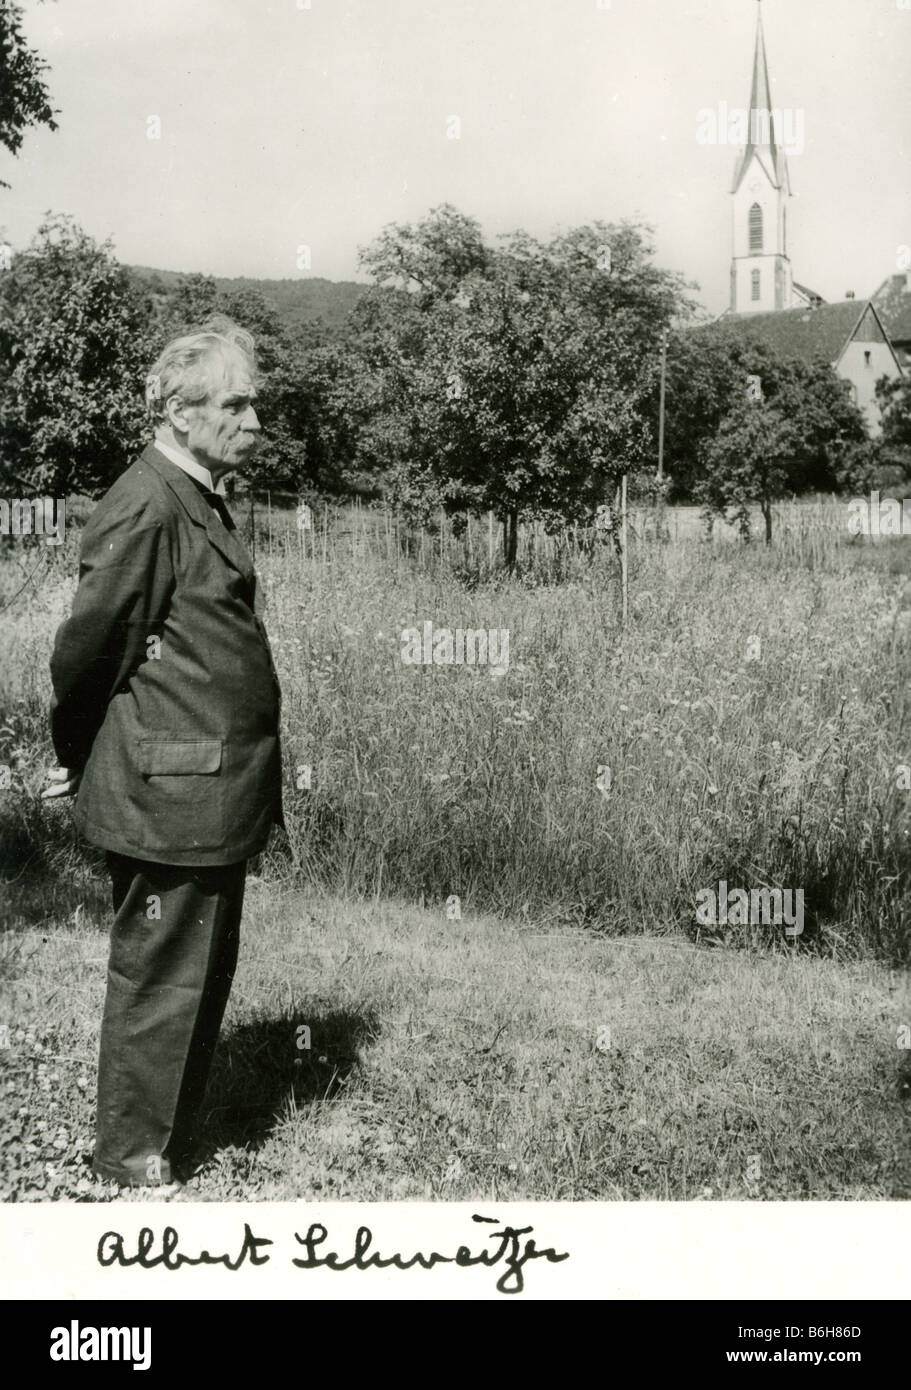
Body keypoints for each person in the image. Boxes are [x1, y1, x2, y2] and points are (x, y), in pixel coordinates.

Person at [44, 316, 283, 1189]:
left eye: (253, 403)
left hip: (202, 787)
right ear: (180, 413)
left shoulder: (192, 493)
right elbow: (91, 651)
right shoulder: (146, 502)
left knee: (195, 965)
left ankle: (162, 1136)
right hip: (171, 789)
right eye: (235, 404)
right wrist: (72, 754)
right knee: (162, 977)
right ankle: (133, 1161)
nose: (254, 422)